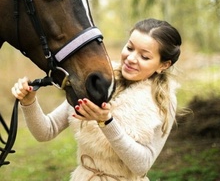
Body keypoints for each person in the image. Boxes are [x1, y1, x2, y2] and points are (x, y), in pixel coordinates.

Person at [12, 18, 182, 181]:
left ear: (163, 65)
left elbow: (141, 166)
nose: (130, 58)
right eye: (130, 48)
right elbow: (46, 131)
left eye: (144, 57)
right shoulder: (97, 80)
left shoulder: (162, 101)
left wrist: (106, 122)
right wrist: (29, 102)